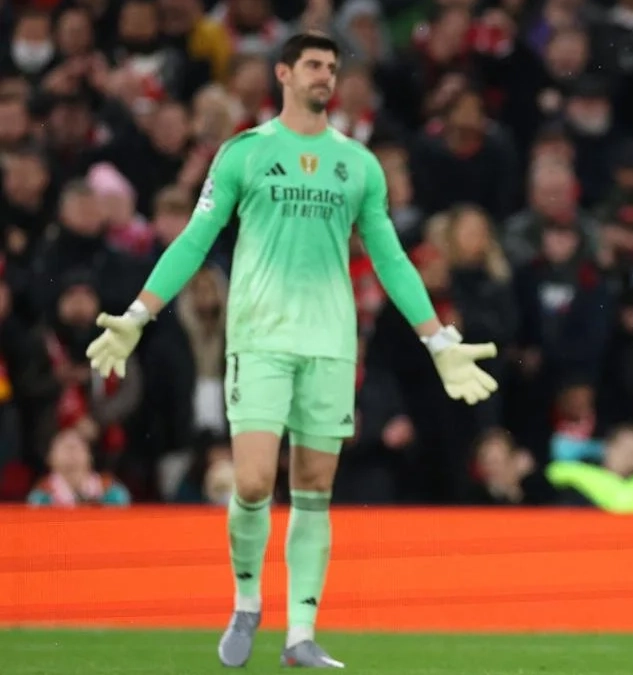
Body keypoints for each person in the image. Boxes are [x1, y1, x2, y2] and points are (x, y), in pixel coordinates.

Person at [84, 31, 499, 669]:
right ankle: (247, 601)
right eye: (312, 65)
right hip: (260, 337)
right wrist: (140, 314)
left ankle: (301, 634)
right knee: (252, 482)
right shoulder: (244, 154)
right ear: (282, 73)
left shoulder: (357, 163)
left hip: (331, 344)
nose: (324, 77)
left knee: (313, 488)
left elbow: (389, 257)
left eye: (331, 68)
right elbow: (196, 240)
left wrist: (438, 338)